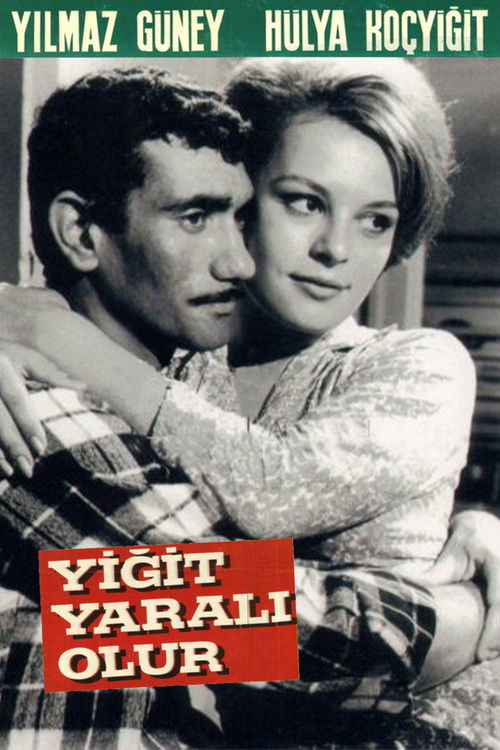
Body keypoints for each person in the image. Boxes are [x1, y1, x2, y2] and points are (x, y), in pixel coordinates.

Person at [0, 61, 498, 747]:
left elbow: (270, 494)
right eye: (303, 202)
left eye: (376, 220)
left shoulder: (416, 363)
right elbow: (169, 612)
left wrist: (60, 339)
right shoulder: (177, 351)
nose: (335, 250)